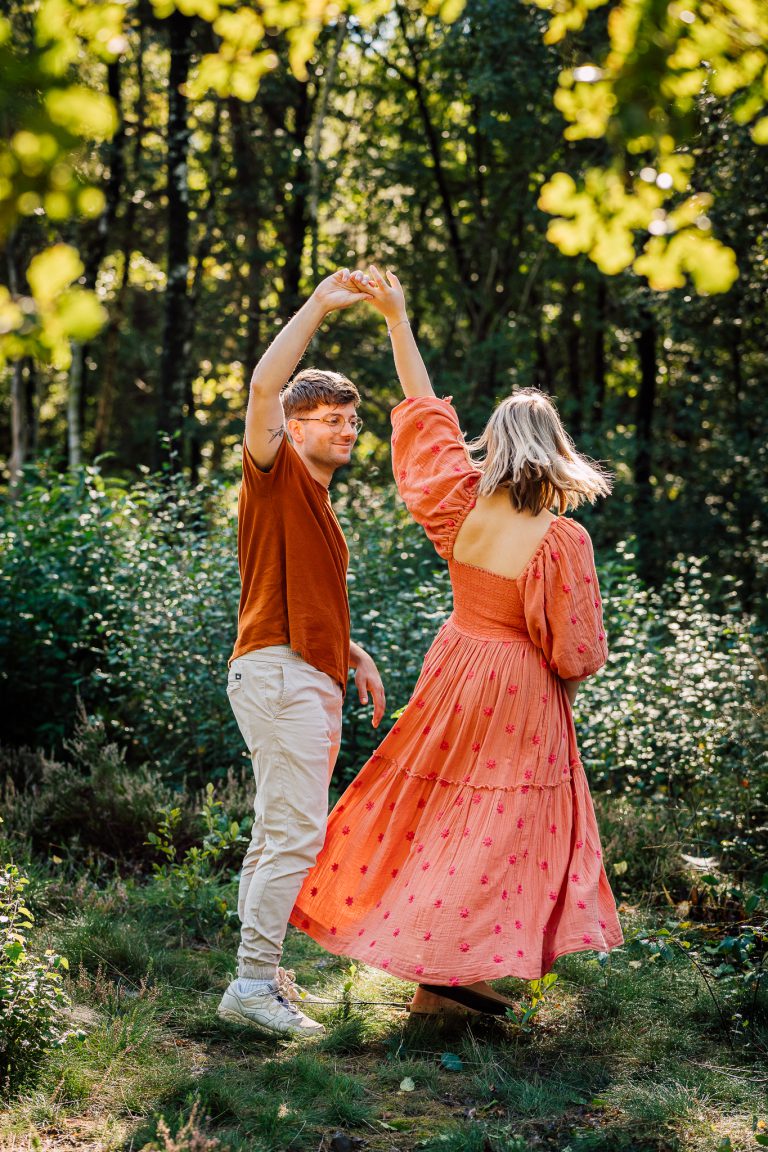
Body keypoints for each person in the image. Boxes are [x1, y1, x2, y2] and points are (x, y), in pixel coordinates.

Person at [290, 266, 623, 1015]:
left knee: (442, 813)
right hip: (519, 686)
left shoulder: (459, 502)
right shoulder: (561, 540)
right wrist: (567, 676)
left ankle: (440, 977)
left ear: (497, 446)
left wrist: (397, 320)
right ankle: (450, 975)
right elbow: (577, 652)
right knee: (505, 825)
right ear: (557, 451)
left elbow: (422, 414)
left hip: (455, 665)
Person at [217, 270, 386, 1037]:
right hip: (279, 675)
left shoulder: (317, 502)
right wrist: (319, 305)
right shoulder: (275, 469)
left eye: (352, 419)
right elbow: (261, 388)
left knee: (274, 832)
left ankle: (257, 978)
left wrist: (349, 649)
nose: (345, 429)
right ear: (295, 426)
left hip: (302, 670)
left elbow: (302, 594)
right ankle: (253, 989)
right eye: (327, 418)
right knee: (293, 834)